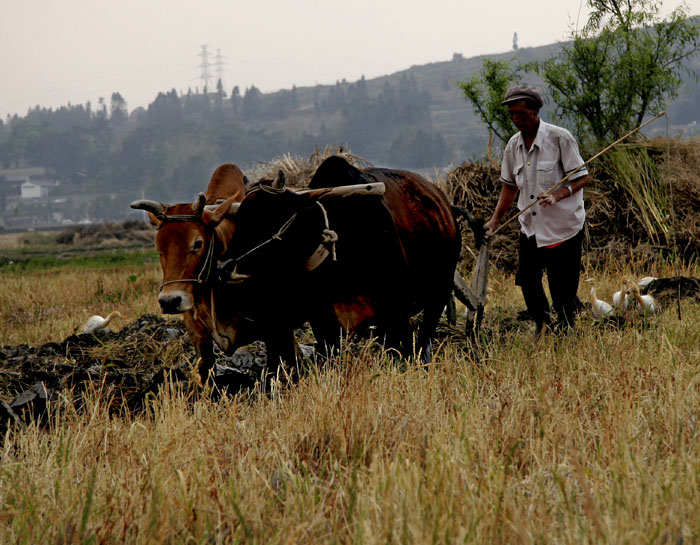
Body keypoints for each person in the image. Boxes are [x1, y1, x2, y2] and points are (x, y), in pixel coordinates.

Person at [484, 84, 590, 334]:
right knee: (528, 282)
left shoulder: (559, 138)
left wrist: (557, 195)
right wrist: (495, 220)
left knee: (561, 288)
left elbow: (582, 177)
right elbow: (509, 188)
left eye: (521, 113)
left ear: (536, 110)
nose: (516, 119)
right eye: (512, 114)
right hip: (530, 228)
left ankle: (566, 330)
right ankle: (542, 325)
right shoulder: (513, 146)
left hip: (563, 228)